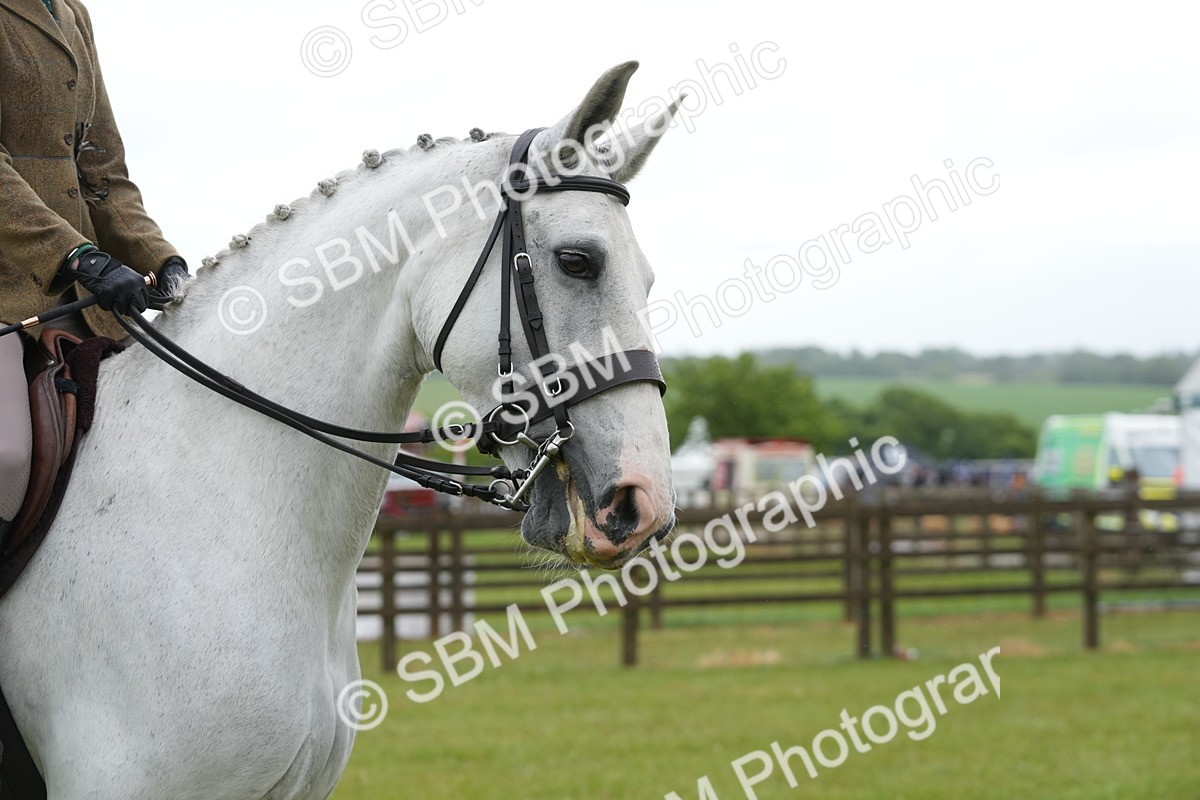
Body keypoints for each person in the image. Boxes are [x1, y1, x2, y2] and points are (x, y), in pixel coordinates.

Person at [0, 0, 186, 543]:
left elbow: (102, 169)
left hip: (81, 298)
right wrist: (78, 255)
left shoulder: (72, 13)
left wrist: (160, 258)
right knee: (7, 456)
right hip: (10, 293)